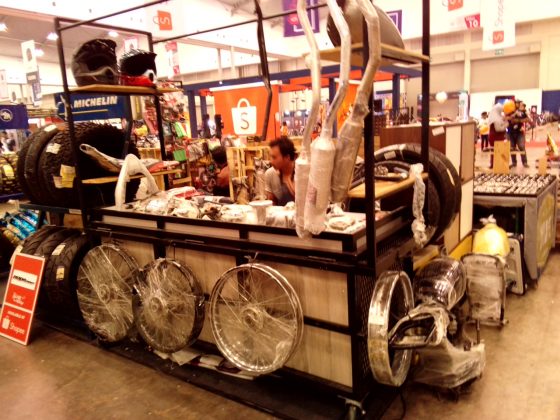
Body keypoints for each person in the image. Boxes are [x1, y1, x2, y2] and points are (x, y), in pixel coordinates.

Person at [265, 137, 296, 206]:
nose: (271, 161)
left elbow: (304, 202)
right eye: (271, 157)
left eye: (274, 157)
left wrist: (288, 179)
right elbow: (271, 204)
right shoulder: (270, 174)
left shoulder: (302, 173)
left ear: (287, 157)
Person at [507, 101, 530, 168]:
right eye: (517, 103)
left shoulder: (523, 111)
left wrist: (519, 120)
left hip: (519, 132)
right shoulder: (509, 111)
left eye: (519, 104)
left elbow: (528, 119)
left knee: (521, 146)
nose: (518, 105)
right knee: (512, 148)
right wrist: (513, 116)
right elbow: (506, 118)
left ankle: (524, 162)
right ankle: (514, 163)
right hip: (510, 132)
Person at [488, 103, 508, 169]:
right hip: (496, 137)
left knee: (495, 151)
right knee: (497, 151)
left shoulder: (496, 116)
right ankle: (496, 165)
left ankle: (495, 164)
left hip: (496, 136)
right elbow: (498, 129)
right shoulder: (495, 118)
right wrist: (506, 125)